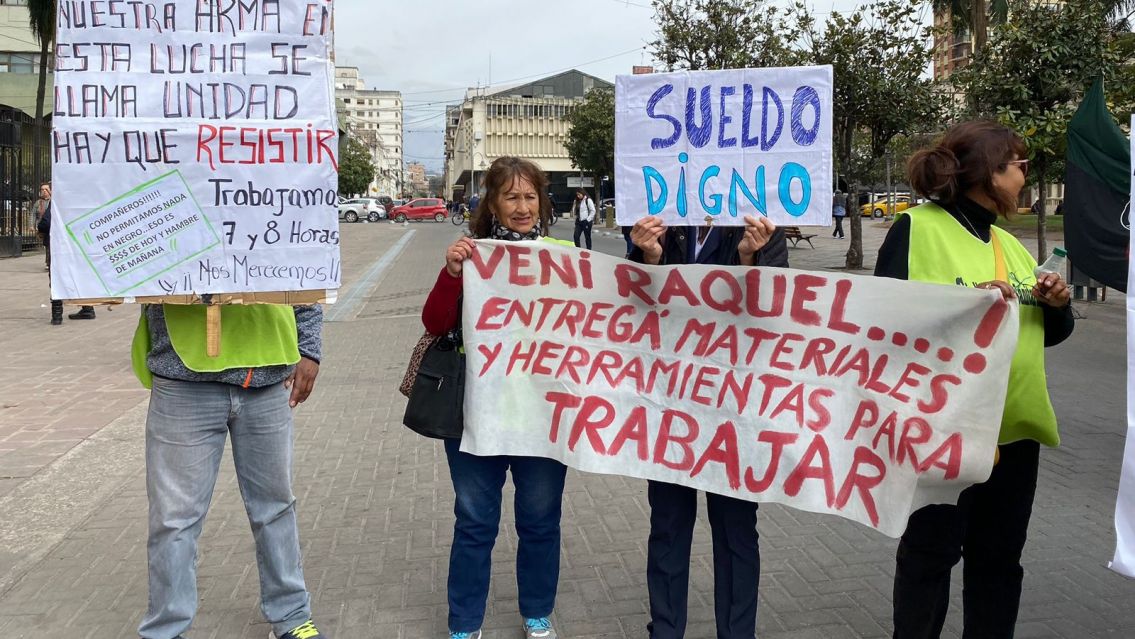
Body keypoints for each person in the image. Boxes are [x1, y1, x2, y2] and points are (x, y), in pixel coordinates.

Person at [874, 120, 1074, 639]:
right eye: (1018, 164)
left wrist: (1057, 304)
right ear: (989, 172)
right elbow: (883, 324)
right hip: (944, 433)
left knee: (999, 564)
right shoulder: (916, 229)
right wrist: (964, 308)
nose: (1025, 174)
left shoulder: (1011, 246)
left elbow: (1046, 335)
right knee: (929, 557)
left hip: (1014, 433)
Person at [424, 156, 572, 639]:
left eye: (530, 196)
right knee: (473, 523)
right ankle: (465, 624)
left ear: (542, 201)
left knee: (540, 521)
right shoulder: (472, 256)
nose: (523, 206)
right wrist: (451, 272)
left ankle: (537, 614)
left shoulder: (564, 256)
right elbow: (435, 323)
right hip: (478, 412)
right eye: (511, 196)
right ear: (492, 203)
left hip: (543, 416)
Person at [628, 214, 789, 639]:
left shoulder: (761, 224)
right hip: (671, 405)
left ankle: (737, 633)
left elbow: (777, 309)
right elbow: (632, 304)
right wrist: (649, 256)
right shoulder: (658, 219)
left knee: (736, 530)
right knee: (667, 525)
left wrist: (749, 260)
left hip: (733, 410)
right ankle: (664, 629)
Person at [132, 300, 327, 639]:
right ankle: (164, 630)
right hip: (183, 378)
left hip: (267, 375)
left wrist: (309, 348)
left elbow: (304, 256)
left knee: (276, 508)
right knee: (174, 518)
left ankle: (292, 617)